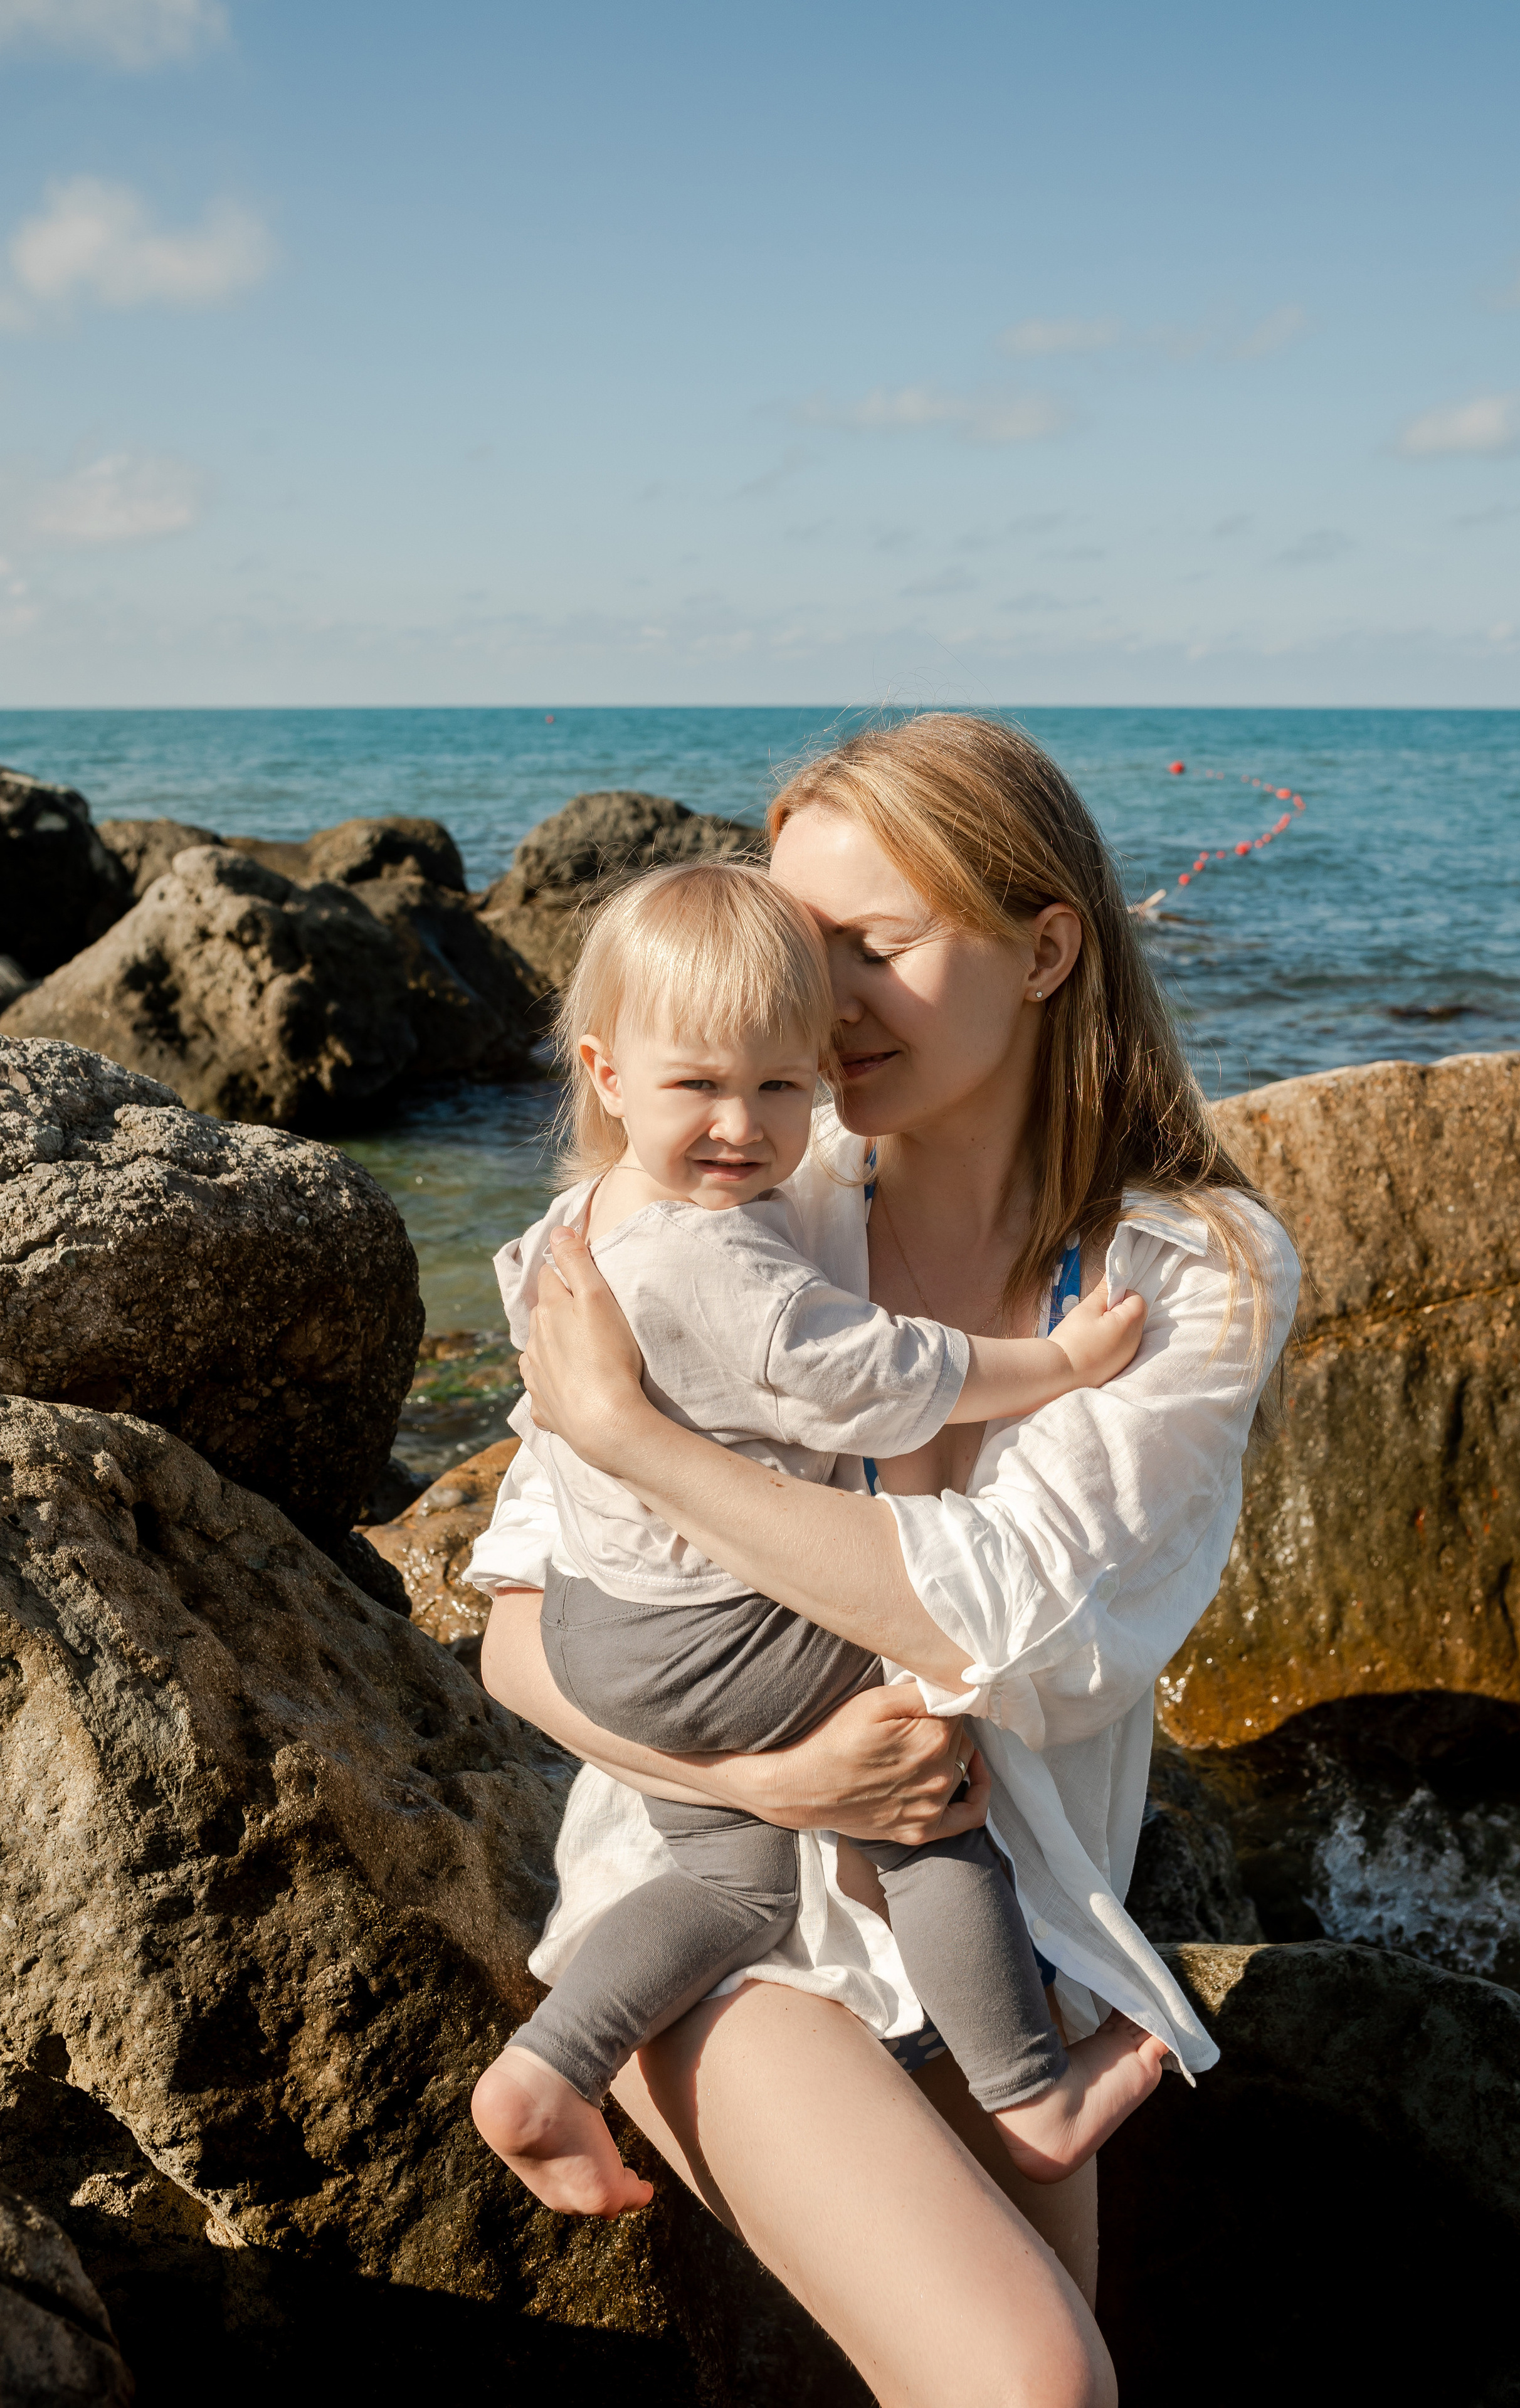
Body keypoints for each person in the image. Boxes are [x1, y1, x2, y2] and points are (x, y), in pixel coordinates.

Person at [473, 715, 1301, 2408]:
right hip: (723, 1926)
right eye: (797, 942)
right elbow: (516, 1634)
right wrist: (782, 1779)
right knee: (1030, 2383)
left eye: (879, 946)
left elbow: (1019, 1618)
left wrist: (645, 1442)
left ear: (1047, 947)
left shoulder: (1187, 1268)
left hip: (1020, 1939)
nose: (818, 1001)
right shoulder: (733, 1197)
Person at [468, 858, 1156, 2217]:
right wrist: (1061, 1362)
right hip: (714, 1638)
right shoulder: (721, 1266)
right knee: (924, 1774)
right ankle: (1031, 2090)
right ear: (606, 1073)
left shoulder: (582, 1219)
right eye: (699, 1088)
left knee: (730, 1884)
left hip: (602, 1621)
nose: (741, 1126)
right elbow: (892, 1373)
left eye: (780, 1088)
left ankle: (550, 2069)